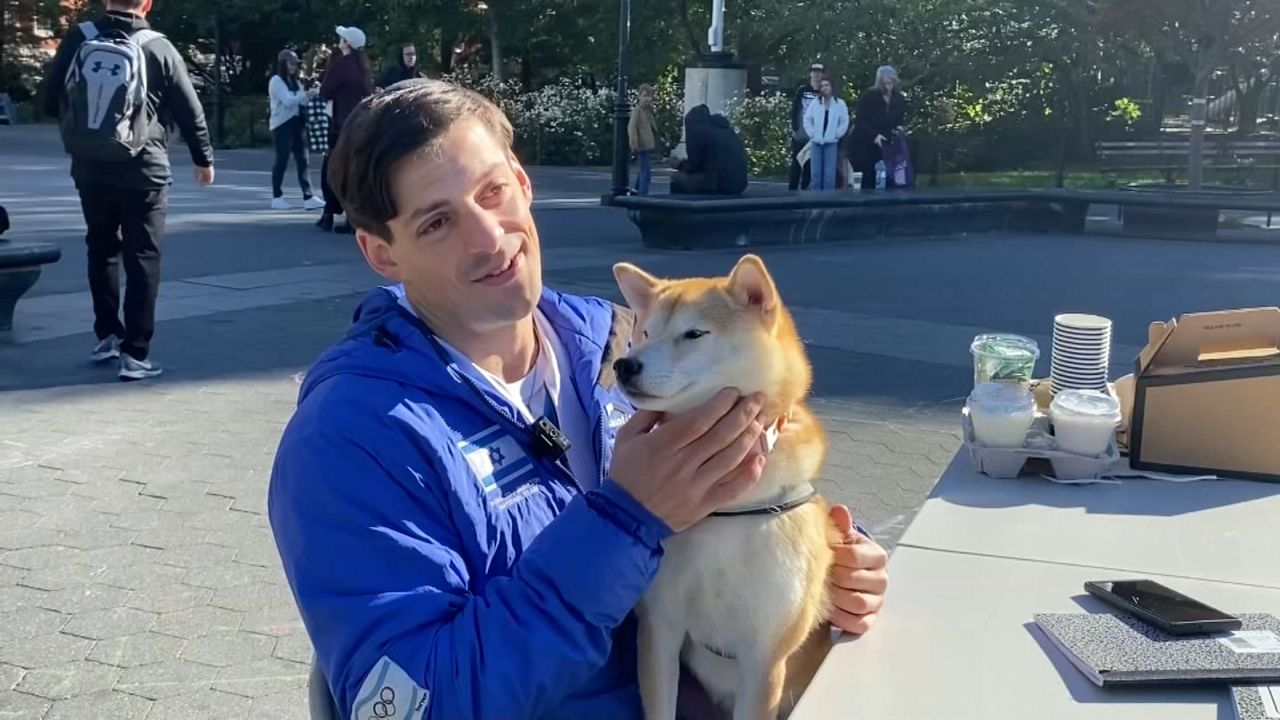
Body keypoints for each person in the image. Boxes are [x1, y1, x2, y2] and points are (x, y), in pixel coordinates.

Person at [268, 79, 888, 720]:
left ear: (523, 182)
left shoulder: (615, 341)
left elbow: (760, 485)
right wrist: (626, 521)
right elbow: (414, 703)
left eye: (493, 191)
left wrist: (828, 568)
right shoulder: (351, 442)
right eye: (437, 222)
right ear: (380, 253)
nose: (489, 237)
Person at [41, 0, 214, 381]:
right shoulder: (158, 45)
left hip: (89, 166)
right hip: (144, 168)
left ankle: (106, 336)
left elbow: (50, 98)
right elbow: (190, 109)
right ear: (147, 3)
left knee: (100, 248)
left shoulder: (80, 38)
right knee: (143, 257)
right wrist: (204, 159)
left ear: (105, 2)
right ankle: (136, 354)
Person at [316, 25, 373, 234]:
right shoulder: (364, 68)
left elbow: (325, 90)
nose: (339, 40)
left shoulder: (341, 66)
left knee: (330, 169)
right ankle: (351, 217)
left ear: (347, 43)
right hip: (359, 125)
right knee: (352, 171)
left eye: (342, 38)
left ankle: (328, 213)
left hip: (340, 125)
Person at [268, 49, 323, 210]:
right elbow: (288, 100)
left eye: (295, 64)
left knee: (303, 161)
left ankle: (308, 196)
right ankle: (277, 197)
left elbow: (301, 103)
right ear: (283, 64)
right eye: (290, 63)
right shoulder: (276, 81)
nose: (293, 67)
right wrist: (306, 94)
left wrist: (311, 93)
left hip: (297, 123)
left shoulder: (295, 81)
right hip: (281, 125)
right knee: (282, 160)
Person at [670, 104, 748, 196]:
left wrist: (679, 164)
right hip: (739, 184)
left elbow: (694, 166)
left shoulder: (697, 131)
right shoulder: (728, 131)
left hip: (717, 183)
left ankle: (679, 207)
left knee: (677, 177)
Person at [852, 65, 908, 191]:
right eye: (885, 84)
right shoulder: (869, 96)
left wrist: (899, 129)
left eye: (891, 83)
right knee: (868, 179)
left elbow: (900, 119)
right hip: (866, 143)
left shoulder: (898, 98)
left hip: (889, 143)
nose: (888, 87)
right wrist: (874, 136)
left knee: (890, 177)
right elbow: (860, 121)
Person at [802, 77, 849, 192]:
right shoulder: (815, 103)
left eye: (827, 85)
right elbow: (807, 119)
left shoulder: (839, 104)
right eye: (822, 86)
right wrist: (812, 133)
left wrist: (837, 134)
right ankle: (815, 204)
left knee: (829, 175)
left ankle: (828, 204)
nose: (824, 88)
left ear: (832, 87)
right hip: (816, 143)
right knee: (816, 175)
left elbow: (844, 121)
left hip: (831, 143)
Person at [788, 62, 824, 191]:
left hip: (815, 134)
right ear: (810, 74)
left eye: (819, 73)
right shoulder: (802, 90)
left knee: (809, 162)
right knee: (796, 160)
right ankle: (791, 189)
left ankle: (805, 189)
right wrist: (794, 127)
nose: (816, 75)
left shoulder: (824, 91)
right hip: (801, 132)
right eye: (814, 72)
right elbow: (795, 109)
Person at [627, 83, 658, 195]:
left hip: (648, 145)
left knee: (642, 170)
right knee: (646, 172)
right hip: (642, 145)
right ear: (639, 96)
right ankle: (643, 193)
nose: (647, 99)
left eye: (649, 96)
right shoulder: (637, 111)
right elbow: (632, 128)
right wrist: (634, 144)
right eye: (644, 96)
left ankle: (635, 190)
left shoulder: (647, 112)